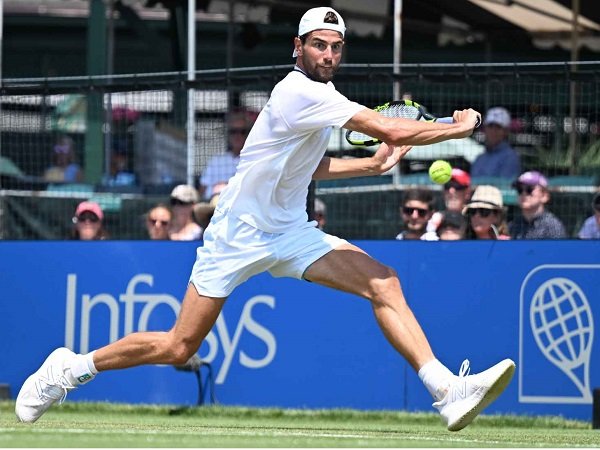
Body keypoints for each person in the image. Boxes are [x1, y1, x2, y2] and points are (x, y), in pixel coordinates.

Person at [15, 7, 514, 432]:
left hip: (291, 232)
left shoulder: (321, 101)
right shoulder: (300, 92)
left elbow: (312, 165)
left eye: (337, 47)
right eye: (319, 45)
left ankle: (446, 389)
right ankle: (71, 367)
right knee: (177, 345)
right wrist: (457, 127)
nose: (329, 55)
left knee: (384, 283)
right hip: (237, 235)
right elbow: (385, 125)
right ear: (298, 46)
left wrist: (371, 163)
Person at [199, 109, 258, 200]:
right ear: (228, 134)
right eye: (233, 131)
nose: (237, 136)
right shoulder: (217, 161)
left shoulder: (255, 160)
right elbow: (202, 190)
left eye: (242, 131)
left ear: (248, 134)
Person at [509, 171, 567, 239]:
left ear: (544, 196)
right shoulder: (513, 226)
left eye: (529, 190)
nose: (523, 194)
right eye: (520, 190)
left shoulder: (552, 227)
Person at [470, 107, 521, 179]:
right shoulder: (479, 159)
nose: (493, 131)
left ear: (506, 131)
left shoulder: (511, 157)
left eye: (498, 127)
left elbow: (506, 186)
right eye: (490, 126)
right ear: (484, 129)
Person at [427, 168, 471, 233]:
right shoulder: (433, 220)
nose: (451, 191)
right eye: (447, 186)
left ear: (467, 192)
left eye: (456, 186)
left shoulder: (475, 218)